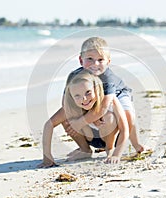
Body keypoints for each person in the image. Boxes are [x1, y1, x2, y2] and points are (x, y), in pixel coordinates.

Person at [37, 37, 147, 168]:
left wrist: (81, 122)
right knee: (70, 116)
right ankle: (85, 149)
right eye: (90, 59)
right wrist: (47, 158)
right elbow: (66, 103)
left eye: (100, 60)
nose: (95, 64)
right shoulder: (76, 78)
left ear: (108, 62)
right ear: (80, 60)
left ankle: (135, 144)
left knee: (128, 116)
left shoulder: (108, 78)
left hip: (117, 94)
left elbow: (103, 108)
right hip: (90, 98)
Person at [63, 70, 128, 163]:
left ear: (96, 89)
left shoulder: (111, 101)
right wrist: (47, 157)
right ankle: (85, 150)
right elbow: (50, 123)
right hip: (90, 138)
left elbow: (124, 129)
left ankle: (109, 149)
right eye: (77, 95)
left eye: (88, 92)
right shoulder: (77, 103)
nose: (84, 98)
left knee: (109, 117)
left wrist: (116, 155)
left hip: (110, 138)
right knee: (66, 118)